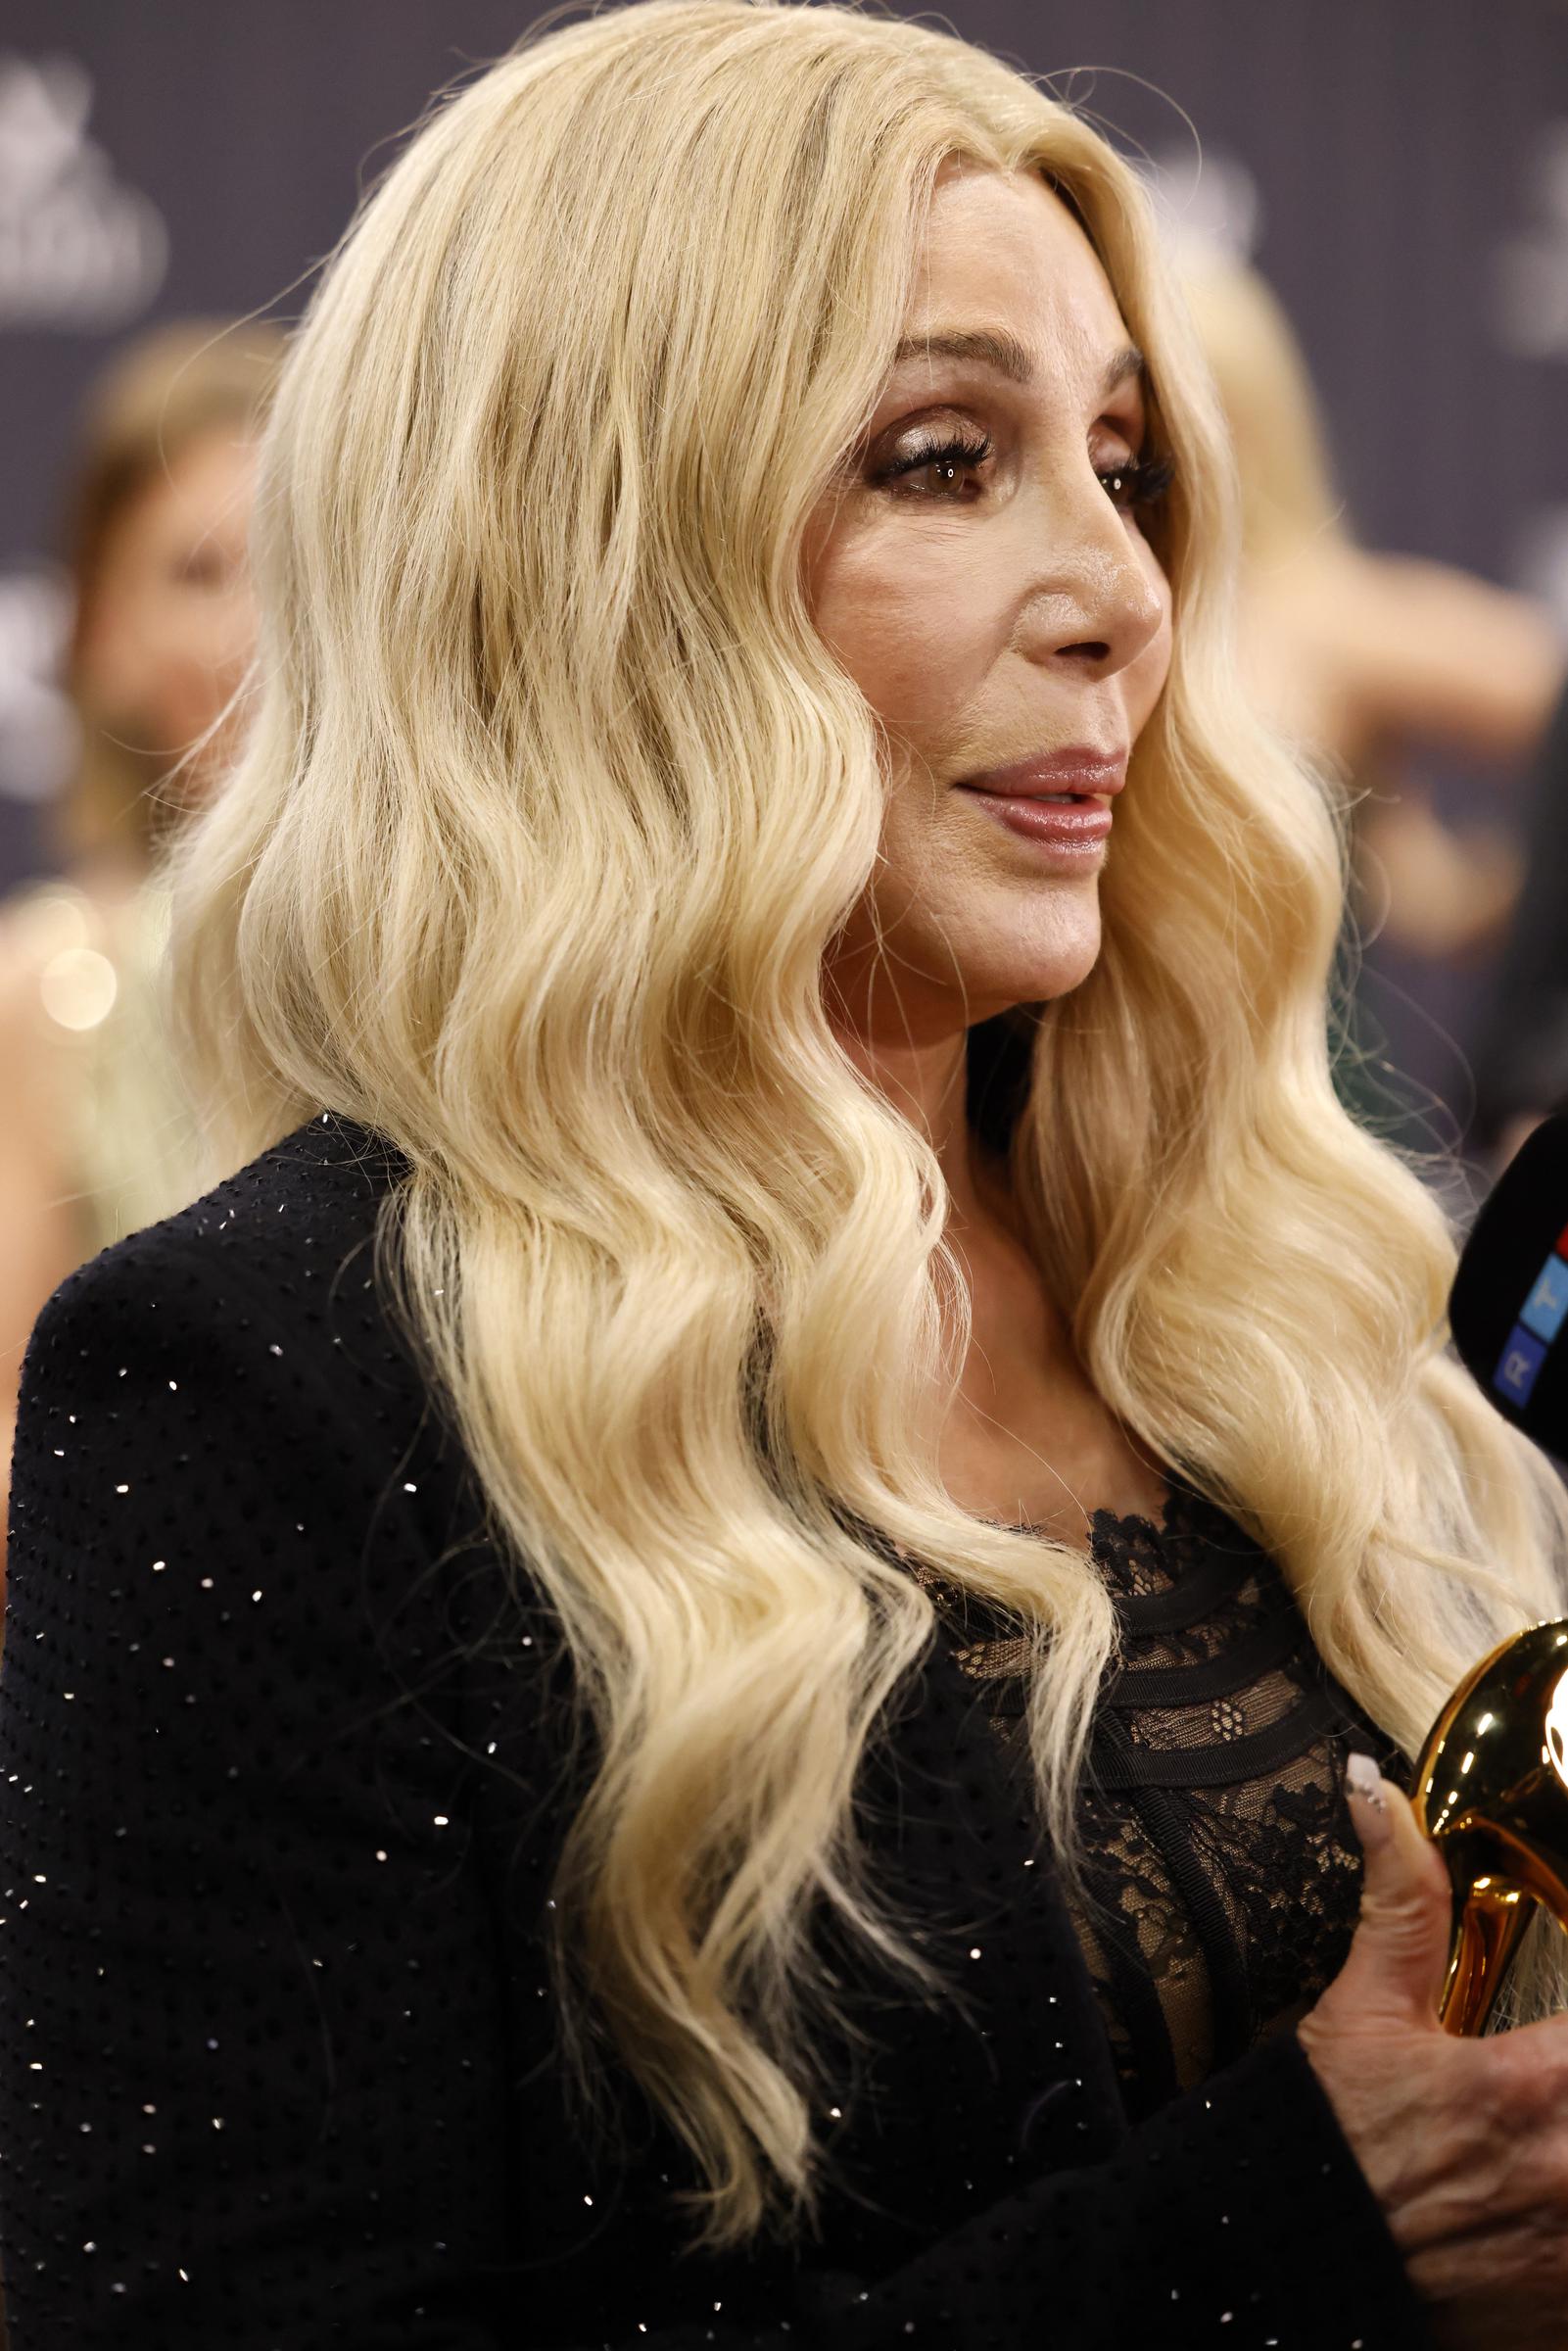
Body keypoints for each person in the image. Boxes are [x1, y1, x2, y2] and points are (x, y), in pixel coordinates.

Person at [1, 5, 1566, 2344]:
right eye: (944, 458)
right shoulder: (261, 1389)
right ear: (592, 552)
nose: (1120, 592)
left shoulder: (1244, 1279)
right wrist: (1292, 2227)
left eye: (1121, 467)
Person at [0, 319, 280, 1569]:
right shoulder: (50, 994)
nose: (260, 631)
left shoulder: (488, 963)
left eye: (298, 562)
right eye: (200, 572)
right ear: (103, 640)